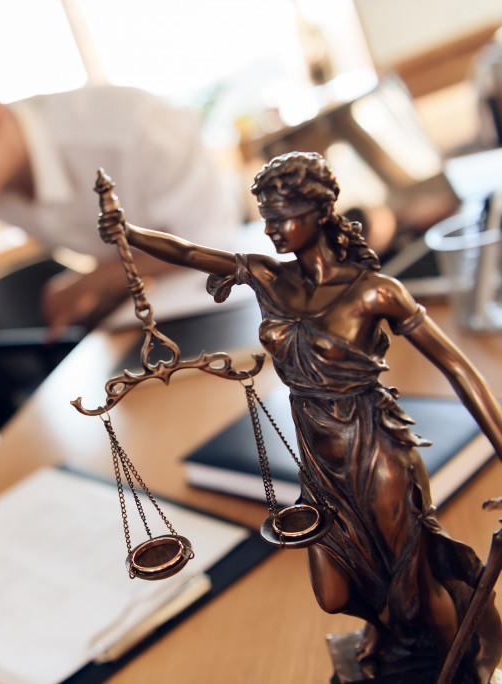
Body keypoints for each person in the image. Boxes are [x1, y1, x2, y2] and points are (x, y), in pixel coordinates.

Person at [98, 151, 502, 683]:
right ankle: (390, 639)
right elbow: (191, 253)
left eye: (281, 214)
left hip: (373, 448)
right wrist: (128, 233)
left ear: (319, 211)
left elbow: (457, 367)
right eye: (264, 215)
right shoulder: (269, 277)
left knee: (413, 586)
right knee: (336, 592)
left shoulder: (374, 291)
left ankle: (461, 672)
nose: (270, 230)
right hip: (316, 454)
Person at [0, 47, 241, 340]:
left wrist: (92, 281)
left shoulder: (133, 127)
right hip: (146, 328)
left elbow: (211, 248)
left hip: (232, 303)